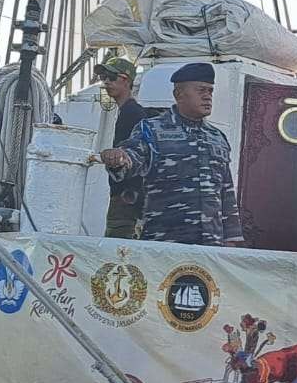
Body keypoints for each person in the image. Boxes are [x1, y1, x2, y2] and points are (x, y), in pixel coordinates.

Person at [99, 62, 243, 247]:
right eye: (201, 90)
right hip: (164, 245)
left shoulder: (217, 137)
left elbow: (226, 191)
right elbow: (131, 159)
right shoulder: (152, 130)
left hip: (210, 246)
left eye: (210, 91)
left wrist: (231, 239)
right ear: (179, 94)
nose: (207, 96)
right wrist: (118, 158)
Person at [96, 57, 147, 240]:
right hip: (127, 198)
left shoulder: (132, 113)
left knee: (117, 247)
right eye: (104, 77)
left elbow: (136, 159)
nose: (106, 82)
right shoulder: (128, 112)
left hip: (127, 201)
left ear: (126, 80)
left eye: (111, 76)